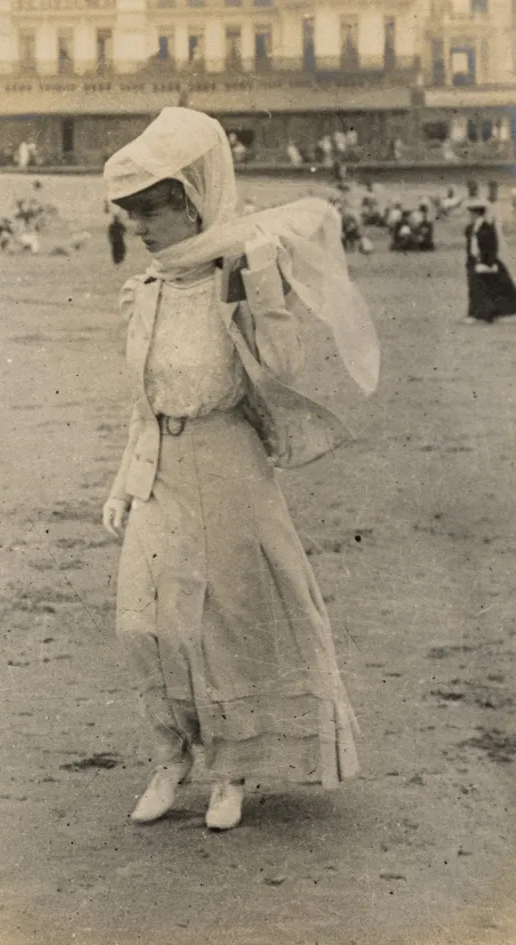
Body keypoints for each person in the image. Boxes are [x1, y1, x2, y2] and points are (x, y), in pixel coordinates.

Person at [102, 107, 379, 830]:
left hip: (229, 462)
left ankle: (232, 768)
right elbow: (143, 398)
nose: (140, 231)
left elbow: (283, 366)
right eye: (132, 219)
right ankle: (173, 752)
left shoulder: (238, 272)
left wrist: (261, 287)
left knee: (228, 618)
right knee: (144, 621)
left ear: (190, 204)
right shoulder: (151, 290)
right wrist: (122, 482)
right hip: (160, 463)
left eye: (150, 215)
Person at [464, 198, 516, 324]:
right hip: (473, 262)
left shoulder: (487, 227)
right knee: (475, 288)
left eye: (471, 213)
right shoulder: (471, 227)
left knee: (487, 289)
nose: (469, 215)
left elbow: (492, 246)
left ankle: (485, 315)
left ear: (476, 213)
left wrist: (488, 262)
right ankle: (475, 314)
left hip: (486, 262)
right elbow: (470, 245)